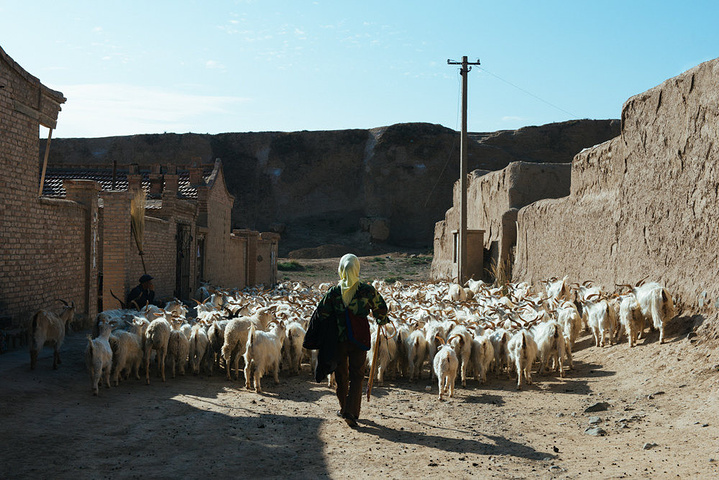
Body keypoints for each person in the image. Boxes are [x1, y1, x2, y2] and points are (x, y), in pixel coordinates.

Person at [314, 254, 389, 428]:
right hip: (359, 338)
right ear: (357, 269)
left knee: (341, 375)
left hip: (339, 339)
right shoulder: (366, 290)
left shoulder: (333, 292)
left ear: (341, 269)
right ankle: (351, 412)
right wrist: (380, 319)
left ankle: (343, 408)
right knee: (357, 376)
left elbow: (321, 312)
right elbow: (381, 309)